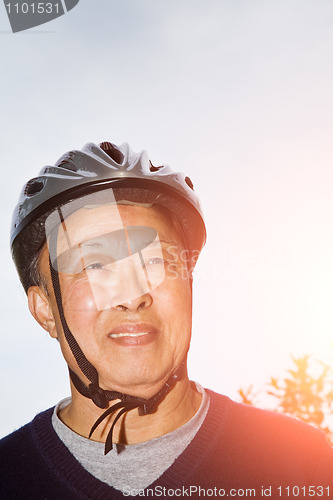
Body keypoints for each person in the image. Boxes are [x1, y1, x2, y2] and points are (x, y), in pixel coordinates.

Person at [1, 141, 333, 500]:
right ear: (45, 311)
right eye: (93, 266)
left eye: (156, 261)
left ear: (190, 284)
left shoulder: (303, 461)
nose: (132, 295)